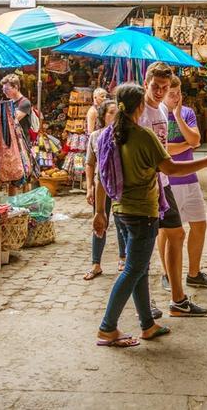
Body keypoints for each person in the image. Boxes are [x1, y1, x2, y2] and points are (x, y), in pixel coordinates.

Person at [94, 84, 207, 348]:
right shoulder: (144, 136)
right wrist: (206, 161)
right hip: (142, 211)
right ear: (140, 107)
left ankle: (147, 324)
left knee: (139, 269)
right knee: (132, 270)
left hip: (120, 211)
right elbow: (170, 169)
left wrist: (99, 212)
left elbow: (100, 176)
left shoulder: (107, 135)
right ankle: (107, 328)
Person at [141, 62, 207, 317]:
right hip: (147, 186)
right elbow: (164, 155)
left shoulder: (161, 114)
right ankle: (143, 305)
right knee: (144, 246)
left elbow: (182, 145)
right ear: (146, 83)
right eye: (157, 87)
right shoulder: (140, 112)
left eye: (165, 87)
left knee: (178, 234)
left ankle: (178, 300)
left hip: (163, 183)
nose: (161, 91)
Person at [163, 76, 207, 289]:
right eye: (171, 94)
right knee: (168, 232)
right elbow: (163, 149)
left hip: (190, 178)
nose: (175, 97)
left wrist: (178, 117)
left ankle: (193, 273)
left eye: (178, 93)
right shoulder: (156, 115)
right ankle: (167, 274)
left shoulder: (186, 113)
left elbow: (196, 141)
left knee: (199, 224)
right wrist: (185, 145)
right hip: (168, 180)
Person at [84, 100, 126, 280]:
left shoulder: (124, 135)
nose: (114, 116)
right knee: (99, 222)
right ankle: (96, 264)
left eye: (117, 113)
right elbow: (90, 163)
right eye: (111, 112)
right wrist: (89, 187)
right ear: (102, 116)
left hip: (119, 185)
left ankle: (123, 258)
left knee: (121, 222)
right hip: (100, 186)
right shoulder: (95, 136)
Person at [1, 73, 33, 138]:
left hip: (22, 143)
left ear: (16, 87)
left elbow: (13, 120)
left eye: (7, 89)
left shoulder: (25, 103)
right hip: (12, 140)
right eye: (3, 90)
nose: (4, 92)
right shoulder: (9, 102)